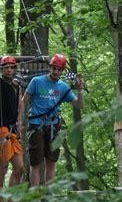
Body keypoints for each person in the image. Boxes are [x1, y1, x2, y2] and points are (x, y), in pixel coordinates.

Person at [18, 53, 84, 186]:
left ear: (62, 71)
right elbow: (23, 101)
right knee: (35, 163)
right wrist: (19, 122)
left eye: (59, 69)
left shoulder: (63, 87)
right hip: (36, 125)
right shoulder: (36, 81)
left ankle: (49, 197)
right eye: (54, 68)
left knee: (51, 162)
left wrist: (80, 91)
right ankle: (35, 198)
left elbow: (79, 105)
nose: (56, 72)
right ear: (50, 67)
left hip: (53, 127)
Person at [0, 36, 24, 202]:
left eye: (11, 68)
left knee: (20, 167)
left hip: (12, 132)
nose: (8, 70)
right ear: (2, 70)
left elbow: (19, 108)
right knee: (2, 168)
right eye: (6, 68)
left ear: (14, 70)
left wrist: (20, 126)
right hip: (1, 131)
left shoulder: (15, 88)